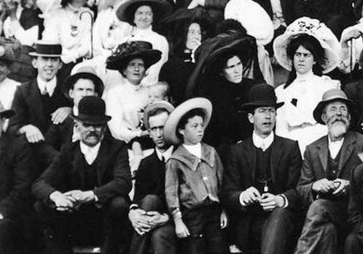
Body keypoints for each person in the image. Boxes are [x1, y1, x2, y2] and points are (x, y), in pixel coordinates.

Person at [33, 96, 131, 254]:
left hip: (104, 219)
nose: (92, 130)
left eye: (98, 125)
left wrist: (90, 195)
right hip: (75, 219)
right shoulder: (68, 150)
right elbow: (40, 183)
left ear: (105, 127)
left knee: (119, 204)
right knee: (42, 206)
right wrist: (56, 196)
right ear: (77, 125)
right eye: (87, 125)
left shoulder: (117, 147)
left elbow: (124, 181)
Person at [223, 84, 303, 254]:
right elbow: (228, 192)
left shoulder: (290, 147)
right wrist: (243, 196)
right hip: (247, 226)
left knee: (279, 215)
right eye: (262, 111)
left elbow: (298, 190)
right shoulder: (237, 151)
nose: (268, 116)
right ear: (251, 117)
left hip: (282, 224)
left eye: (272, 111)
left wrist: (280, 199)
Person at [294, 89, 363, 254]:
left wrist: (349, 185)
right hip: (323, 216)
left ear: (349, 117)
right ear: (324, 118)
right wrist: (315, 186)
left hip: (354, 213)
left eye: (343, 109)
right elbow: (301, 188)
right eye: (333, 109)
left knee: (319, 206)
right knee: (326, 230)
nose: (339, 114)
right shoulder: (312, 149)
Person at [163, 97, 228, 254]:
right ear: (181, 130)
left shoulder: (211, 152)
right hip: (192, 216)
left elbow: (222, 182)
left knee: (219, 247)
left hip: (213, 213)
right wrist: (178, 221)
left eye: (201, 126)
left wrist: (223, 210)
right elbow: (171, 192)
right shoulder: (175, 160)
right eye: (194, 126)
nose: (200, 129)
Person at [104, 41, 164, 165]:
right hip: (125, 148)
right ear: (124, 70)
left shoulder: (149, 92)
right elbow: (116, 129)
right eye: (132, 65)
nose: (136, 69)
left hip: (151, 144)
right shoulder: (115, 93)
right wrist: (139, 134)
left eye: (140, 65)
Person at [129, 101, 176, 254]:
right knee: (149, 201)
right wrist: (133, 213)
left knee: (160, 234)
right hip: (151, 219)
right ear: (148, 132)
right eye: (153, 129)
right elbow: (139, 199)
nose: (158, 134)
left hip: (178, 222)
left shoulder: (182, 157)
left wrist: (165, 218)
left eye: (162, 127)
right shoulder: (146, 163)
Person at [11, 42, 71, 146]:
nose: (49, 64)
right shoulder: (23, 91)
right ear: (35, 63)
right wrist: (26, 128)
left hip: (60, 154)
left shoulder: (68, 91)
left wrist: (70, 110)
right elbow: (13, 126)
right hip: (31, 152)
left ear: (60, 65)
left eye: (54, 60)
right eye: (44, 59)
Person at [0, 99, 35, 252]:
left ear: (2, 120)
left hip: (7, 212)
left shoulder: (18, 146)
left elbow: (22, 188)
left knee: (0, 228)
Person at [115, 0, 172, 85]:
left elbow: (155, 71)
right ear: (133, 17)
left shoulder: (159, 40)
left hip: (149, 88)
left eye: (148, 13)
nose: (144, 17)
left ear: (153, 17)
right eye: (140, 13)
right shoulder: (125, 40)